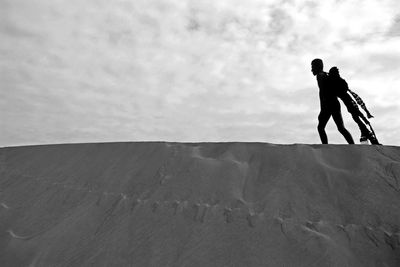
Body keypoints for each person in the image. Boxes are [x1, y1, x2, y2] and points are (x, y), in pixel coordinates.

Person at [328, 67, 380, 144]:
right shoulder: (339, 82)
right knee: (357, 117)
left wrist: (366, 114)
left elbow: (356, 100)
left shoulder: (339, 83)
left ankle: (368, 134)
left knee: (357, 117)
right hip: (350, 103)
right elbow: (356, 99)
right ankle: (367, 134)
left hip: (350, 103)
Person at [311, 59, 354, 144]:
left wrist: (323, 109)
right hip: (334, 104)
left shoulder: (320, 76)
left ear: (317, 66)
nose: (312, 69)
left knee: (321, 127)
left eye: (313, 66)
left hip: (328, 105)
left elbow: (324, 92)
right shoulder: (326, 75)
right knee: (341, 128)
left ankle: (325, 147)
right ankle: (352, 145)